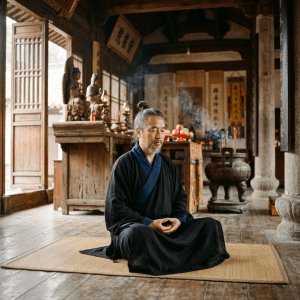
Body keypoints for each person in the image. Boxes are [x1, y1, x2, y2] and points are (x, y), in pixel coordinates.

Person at [80, 101, 230, 276]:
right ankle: (179, 254)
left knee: (211, 226)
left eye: (162, 130)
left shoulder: (166, 163)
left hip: (168, 227)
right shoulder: (124, 164)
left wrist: (178, 220)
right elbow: (116, 208)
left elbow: (180, 198)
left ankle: (166, 254)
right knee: (139, 236)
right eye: (153, 130)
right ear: (139, 132)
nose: (159, 136)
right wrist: (149, 223)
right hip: (141, 228)